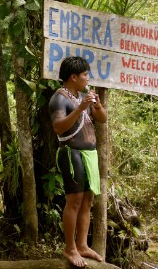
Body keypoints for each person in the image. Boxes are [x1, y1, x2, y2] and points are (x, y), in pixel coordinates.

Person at [48, 56, 107, 267]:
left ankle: (82, 245)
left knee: (87, 202)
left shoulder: (82, 96)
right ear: (73, 77)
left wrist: (97, 106)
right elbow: (58, 127)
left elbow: (102, 119)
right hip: (71, 153)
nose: (87, 78)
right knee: (74, 201)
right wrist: (81, 108)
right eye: (85, 74)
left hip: (89, 155)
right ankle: (69, 248)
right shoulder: (59, 99)